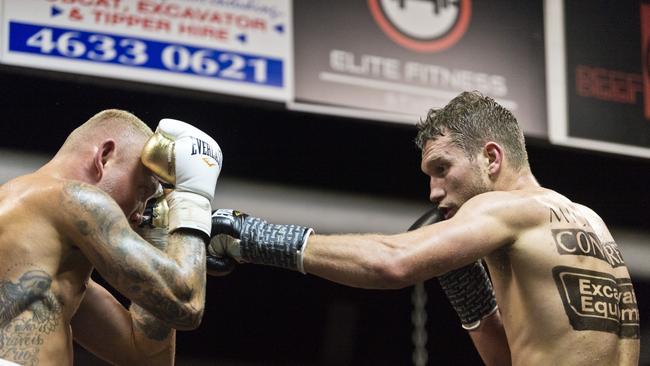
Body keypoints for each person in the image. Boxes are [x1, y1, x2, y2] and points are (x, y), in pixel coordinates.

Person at [209, 91, 640, 365]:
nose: (434, 192)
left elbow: (392, 263)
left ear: (491, 158)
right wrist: (467, 287)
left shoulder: (505, 209)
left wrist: (252, 238)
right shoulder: (589, 221)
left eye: (442, 168)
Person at [0, 109, 224, 365]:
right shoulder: (71, 198)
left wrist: (160, 234)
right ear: (104, 157)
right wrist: (193, 202)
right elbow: (185, 303)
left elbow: (145, 358)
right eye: (142, 190)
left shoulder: (45, 270)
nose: (140, 214)